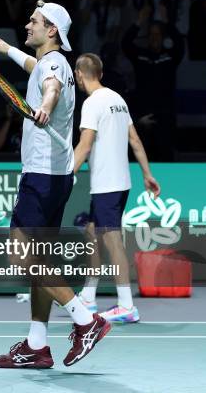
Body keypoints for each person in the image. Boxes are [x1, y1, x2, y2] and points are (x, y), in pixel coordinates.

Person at [0, 0, 111, 369]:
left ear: (52, 30)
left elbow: (50, 86)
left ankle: (86, 320)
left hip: (41, 174)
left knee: (21, 255)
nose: (27, 25)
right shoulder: (51, 62)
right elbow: (37, 69)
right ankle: (36, 346)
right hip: (57, 176)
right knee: (42, 259)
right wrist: (7, 49)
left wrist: (46, 105)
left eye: (34, 21)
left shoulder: (54, 67)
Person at [72, 53, 161, 323]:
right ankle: (89, 295)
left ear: (78, 74)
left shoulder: (91, 103)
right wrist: (147, 173)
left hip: (106, 185)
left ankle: (126, 305)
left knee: (112, 242)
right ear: (99, 73)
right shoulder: (117, 100)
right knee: (92, 234)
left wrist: (67, 174)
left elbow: (85, 145)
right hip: (120, 184)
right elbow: (134, 139)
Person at [121, 4, 184, 161]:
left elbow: (180, 44)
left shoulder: (170, 57)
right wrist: (139, 22)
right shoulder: (141, 56)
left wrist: (167, 23)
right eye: (151, 34)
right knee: (142, 156)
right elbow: (126, 44)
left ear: (163, 37)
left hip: (165, 115)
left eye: (158, 34)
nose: (154, 38)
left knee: (165, 155)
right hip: (144, 115)